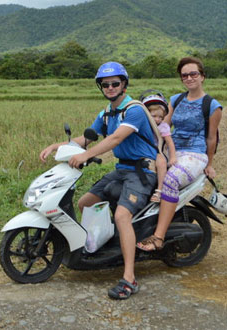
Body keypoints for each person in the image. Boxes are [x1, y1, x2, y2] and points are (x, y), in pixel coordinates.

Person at [39, 61, 158, 300]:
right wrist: (57, 146)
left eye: (115, 83)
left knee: (122, 216)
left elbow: (115, 139)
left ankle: (129, 278)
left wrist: (85, 155)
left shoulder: (133, 109)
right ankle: (103, 244)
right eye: (106, 84)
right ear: (100, 87)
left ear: (124, 84)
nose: (111, 87)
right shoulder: (106, 113)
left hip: (142, 171)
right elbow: (86, 138)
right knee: (85, 202)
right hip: (122, 169)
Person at [137, 57, 222, 252]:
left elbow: (211, 138)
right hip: (172, 149)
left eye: (194, 74)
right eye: (185, 75)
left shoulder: (212, 105)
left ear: (202, 76)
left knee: (171, 179)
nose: (189, 78)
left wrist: (209, 164)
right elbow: (163, 127)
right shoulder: (176, 99)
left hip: (195, 154)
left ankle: (158, 237)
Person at [140, 92, 177, 203]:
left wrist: (172, 157)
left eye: (160, 117)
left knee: (161, 162)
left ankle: (159, 190)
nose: (157, 119)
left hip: (157, 151)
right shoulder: (141, 125)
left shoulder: (162, 127)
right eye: (154, 116)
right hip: (143, 152)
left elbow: (170, 143)